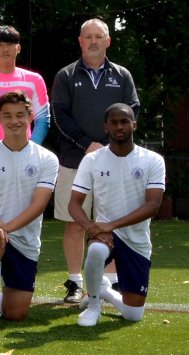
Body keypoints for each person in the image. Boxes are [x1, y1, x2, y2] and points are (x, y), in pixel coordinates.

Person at [51, 19, 140, 302]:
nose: (93, 41)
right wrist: (86, 143)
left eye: (98, 37)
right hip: (75, 160)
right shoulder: (65, 75)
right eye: (87, 37)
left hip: (114, 161)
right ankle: (75, 282)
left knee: (110, 221)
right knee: (75, 222)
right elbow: (59, 116)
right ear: (80, 41)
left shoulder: (122, 75)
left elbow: (132, 109)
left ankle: (110, 283)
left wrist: (107, 144)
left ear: (108, 41)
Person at [0, 91, 59, 334]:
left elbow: (38, 206)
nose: (14, 120)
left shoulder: (47, 159)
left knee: (16, 314)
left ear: (30, 117)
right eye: (7, 115)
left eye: (20, 114)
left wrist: (4, 227)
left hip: (24, 239)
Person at [70, 104, 165, 327]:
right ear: (106, 127)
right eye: (114, 122)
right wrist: (90, 226)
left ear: (134, 124)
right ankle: (93, 305)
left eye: (125, 121)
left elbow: (153, 205)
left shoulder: (152, 160)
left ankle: (106, 292)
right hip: (105, 236)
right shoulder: (92, 160)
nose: (119, 126)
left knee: (133, 315)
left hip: (136, 240)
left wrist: (110, 225)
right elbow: (74, 204)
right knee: (95, 250)